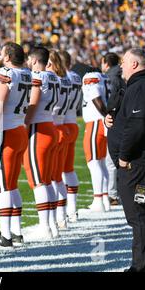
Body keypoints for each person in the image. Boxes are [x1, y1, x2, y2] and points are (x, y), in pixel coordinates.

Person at [106, 48, 145, 272]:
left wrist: (123, 156)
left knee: (139, 214)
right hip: (143, 162)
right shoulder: (141, 85)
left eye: (124, 62)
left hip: (139, 164)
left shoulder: (142, 86)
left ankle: (142, 267)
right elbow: (131, 120)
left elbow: (138, 124)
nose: (121, 66)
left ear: (134, 64)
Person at [0, 42, 31, 247]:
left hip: (6, 132)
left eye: (2, 53)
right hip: (19, 129)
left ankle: (5, 236)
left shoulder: (4, 73)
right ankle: (16, 232)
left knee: (2, 184)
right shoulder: (27, 74)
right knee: (10, 183)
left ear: (9, 57)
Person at [22, 46, 59, 240]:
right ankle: (52, 225)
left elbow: (33, 103)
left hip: (39, 129)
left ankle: (45, 227)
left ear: (35, 60)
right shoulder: (54, 77)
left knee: (39, 182)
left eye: (29, 59)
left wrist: (24, 125)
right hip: (50, 125)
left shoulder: (39, 77)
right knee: (47, 179)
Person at [47, 50, 71, 230]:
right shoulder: (65, 79)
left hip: (53, 126)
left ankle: (55, 220)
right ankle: (62, 217)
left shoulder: (51, 78)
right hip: (62, 125)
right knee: (58, 177)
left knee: (51, 178)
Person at [81, 68, 110, 212]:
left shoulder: (90, 76)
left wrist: (105, 115)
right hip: (101, 122)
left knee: (93, 162)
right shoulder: (104, 77)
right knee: (101, 161)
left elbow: (95, 96)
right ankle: (104, 198)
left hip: (95, 122)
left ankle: (98, 200)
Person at [59, 51, 82, 222]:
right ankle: (72, 210)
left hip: (60, 123)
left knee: (55, 173)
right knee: (68, 168)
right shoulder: (75, 77)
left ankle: (60, 216)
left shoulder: (61, 77)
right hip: (73, 122)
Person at [102, 52, 123, 206]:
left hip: (114, 120)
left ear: (106, 63)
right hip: (119, 119)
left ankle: (113, 194)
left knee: (110, 161)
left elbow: (114, 100)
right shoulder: (119, 75)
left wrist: (108, 114)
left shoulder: (111, 77)